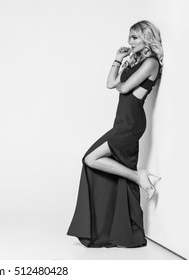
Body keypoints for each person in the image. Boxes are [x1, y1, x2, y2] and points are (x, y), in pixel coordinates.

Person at [67, 20, 163, 248]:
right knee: (95, 160)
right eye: (130, 37)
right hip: (122, 122)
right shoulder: (137, 61)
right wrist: (118, 58)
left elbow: (125, 88)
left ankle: (139, 177)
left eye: (135, 37)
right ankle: (137, 181)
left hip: (131, 123)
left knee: (91, 158)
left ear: (147, 38)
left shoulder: (150, 63)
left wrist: (124, 80)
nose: (130, 41)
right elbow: (111, 84)